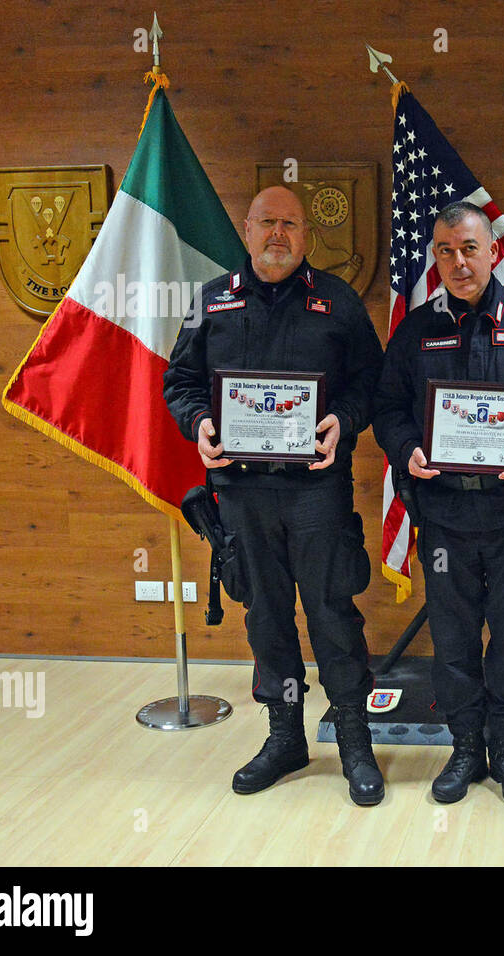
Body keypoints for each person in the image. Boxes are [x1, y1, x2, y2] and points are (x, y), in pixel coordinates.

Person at [164, 186, 385, 806]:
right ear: (248, 228)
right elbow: (179, 382)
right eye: (268, 223)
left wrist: (343, 419)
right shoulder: (210, 303)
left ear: (307, 234)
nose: (278, 234)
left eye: (290, 224)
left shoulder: (337, 303)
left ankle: (354, 742)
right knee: (265, 620)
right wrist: (199, 424)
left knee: (332, 615)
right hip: (241, 494)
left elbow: (373, 381)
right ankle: (286, 736)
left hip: (317, 491)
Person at [371, 201, 504, 806]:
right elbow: (388, 408)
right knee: (455, 639)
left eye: (468, 248)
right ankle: (466, 746)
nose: (457, 262)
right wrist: (409, 448)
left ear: (493, 251)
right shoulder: (415, 331)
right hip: (444, 518)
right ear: (434, 258)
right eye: (444, 251)